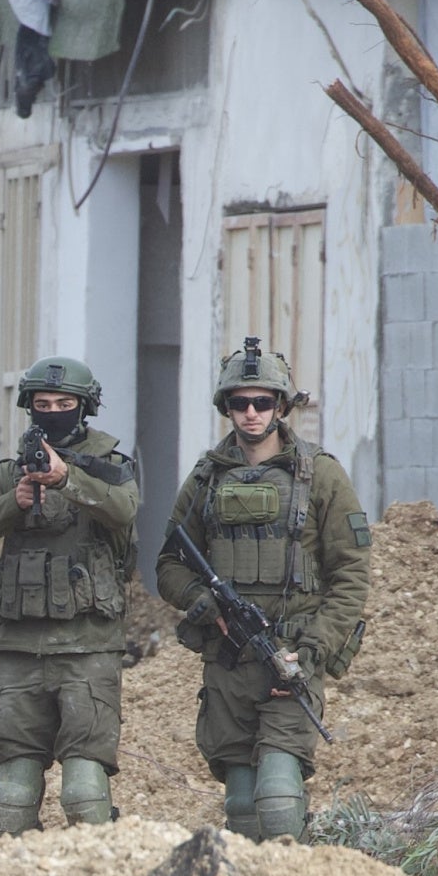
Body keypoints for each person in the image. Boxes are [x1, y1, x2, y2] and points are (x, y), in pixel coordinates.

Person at [152, 337, 369, 841]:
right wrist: (204, 604)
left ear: (281, 406)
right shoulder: (206, 478)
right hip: (229, 665)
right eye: (239, 403)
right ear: (226, 408)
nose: (251, 413)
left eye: (263, 402)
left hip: (292, 656)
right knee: (242, 803)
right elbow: (169, 564)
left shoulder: (321, 476)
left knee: (277, 795)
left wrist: (313, 649)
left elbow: (351, 573)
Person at [0, 355, 141, 834]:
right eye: (43, 403)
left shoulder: (109, 467)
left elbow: (126, 509)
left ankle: (93, 874)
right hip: (19, 650)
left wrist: (68, 480)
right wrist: (15, 502)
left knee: (85, 788)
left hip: (88, 648)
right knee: (13, 791)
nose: (53, 411)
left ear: (84, 407)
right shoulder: (10, 475)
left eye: (64, 403)